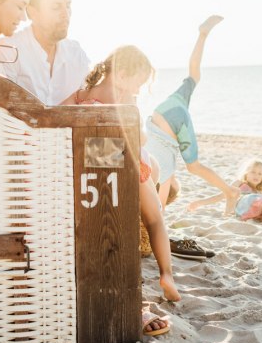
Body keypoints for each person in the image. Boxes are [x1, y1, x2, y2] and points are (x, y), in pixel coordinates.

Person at [67, 46, 181, 307]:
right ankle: (166, 275)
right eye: (137, 83)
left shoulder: (80, 94)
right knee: (155, 219)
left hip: (88, 165)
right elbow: (137, 138)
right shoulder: (124, 99)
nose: (138, 90)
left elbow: (57, 117)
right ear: (120, 75)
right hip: (119, 159)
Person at [145, 15, 241, 215]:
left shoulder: (165, 174)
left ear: (170, 187)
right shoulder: (150, 165)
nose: (176, 183)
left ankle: (230, 191)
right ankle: (202, 35)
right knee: (194, 75)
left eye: (175, 186)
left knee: (194, 167)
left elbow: (158, 210)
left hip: (175, 121)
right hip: (164, 109)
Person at [0, 0, 90, 106]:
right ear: (32, 12)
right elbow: (3, 112)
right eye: (56, 7)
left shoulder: (77, 55)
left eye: (68, 5)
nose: (66, 14)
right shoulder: (9, 50)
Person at [188, 158, 262, 228]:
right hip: (244, 207)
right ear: (246, 173)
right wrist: (199, 203)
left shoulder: (259, 191)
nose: (256, 176)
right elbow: (220, 196)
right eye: (253, 172)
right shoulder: (239, 183)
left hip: (258, 209)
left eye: (260, 174)